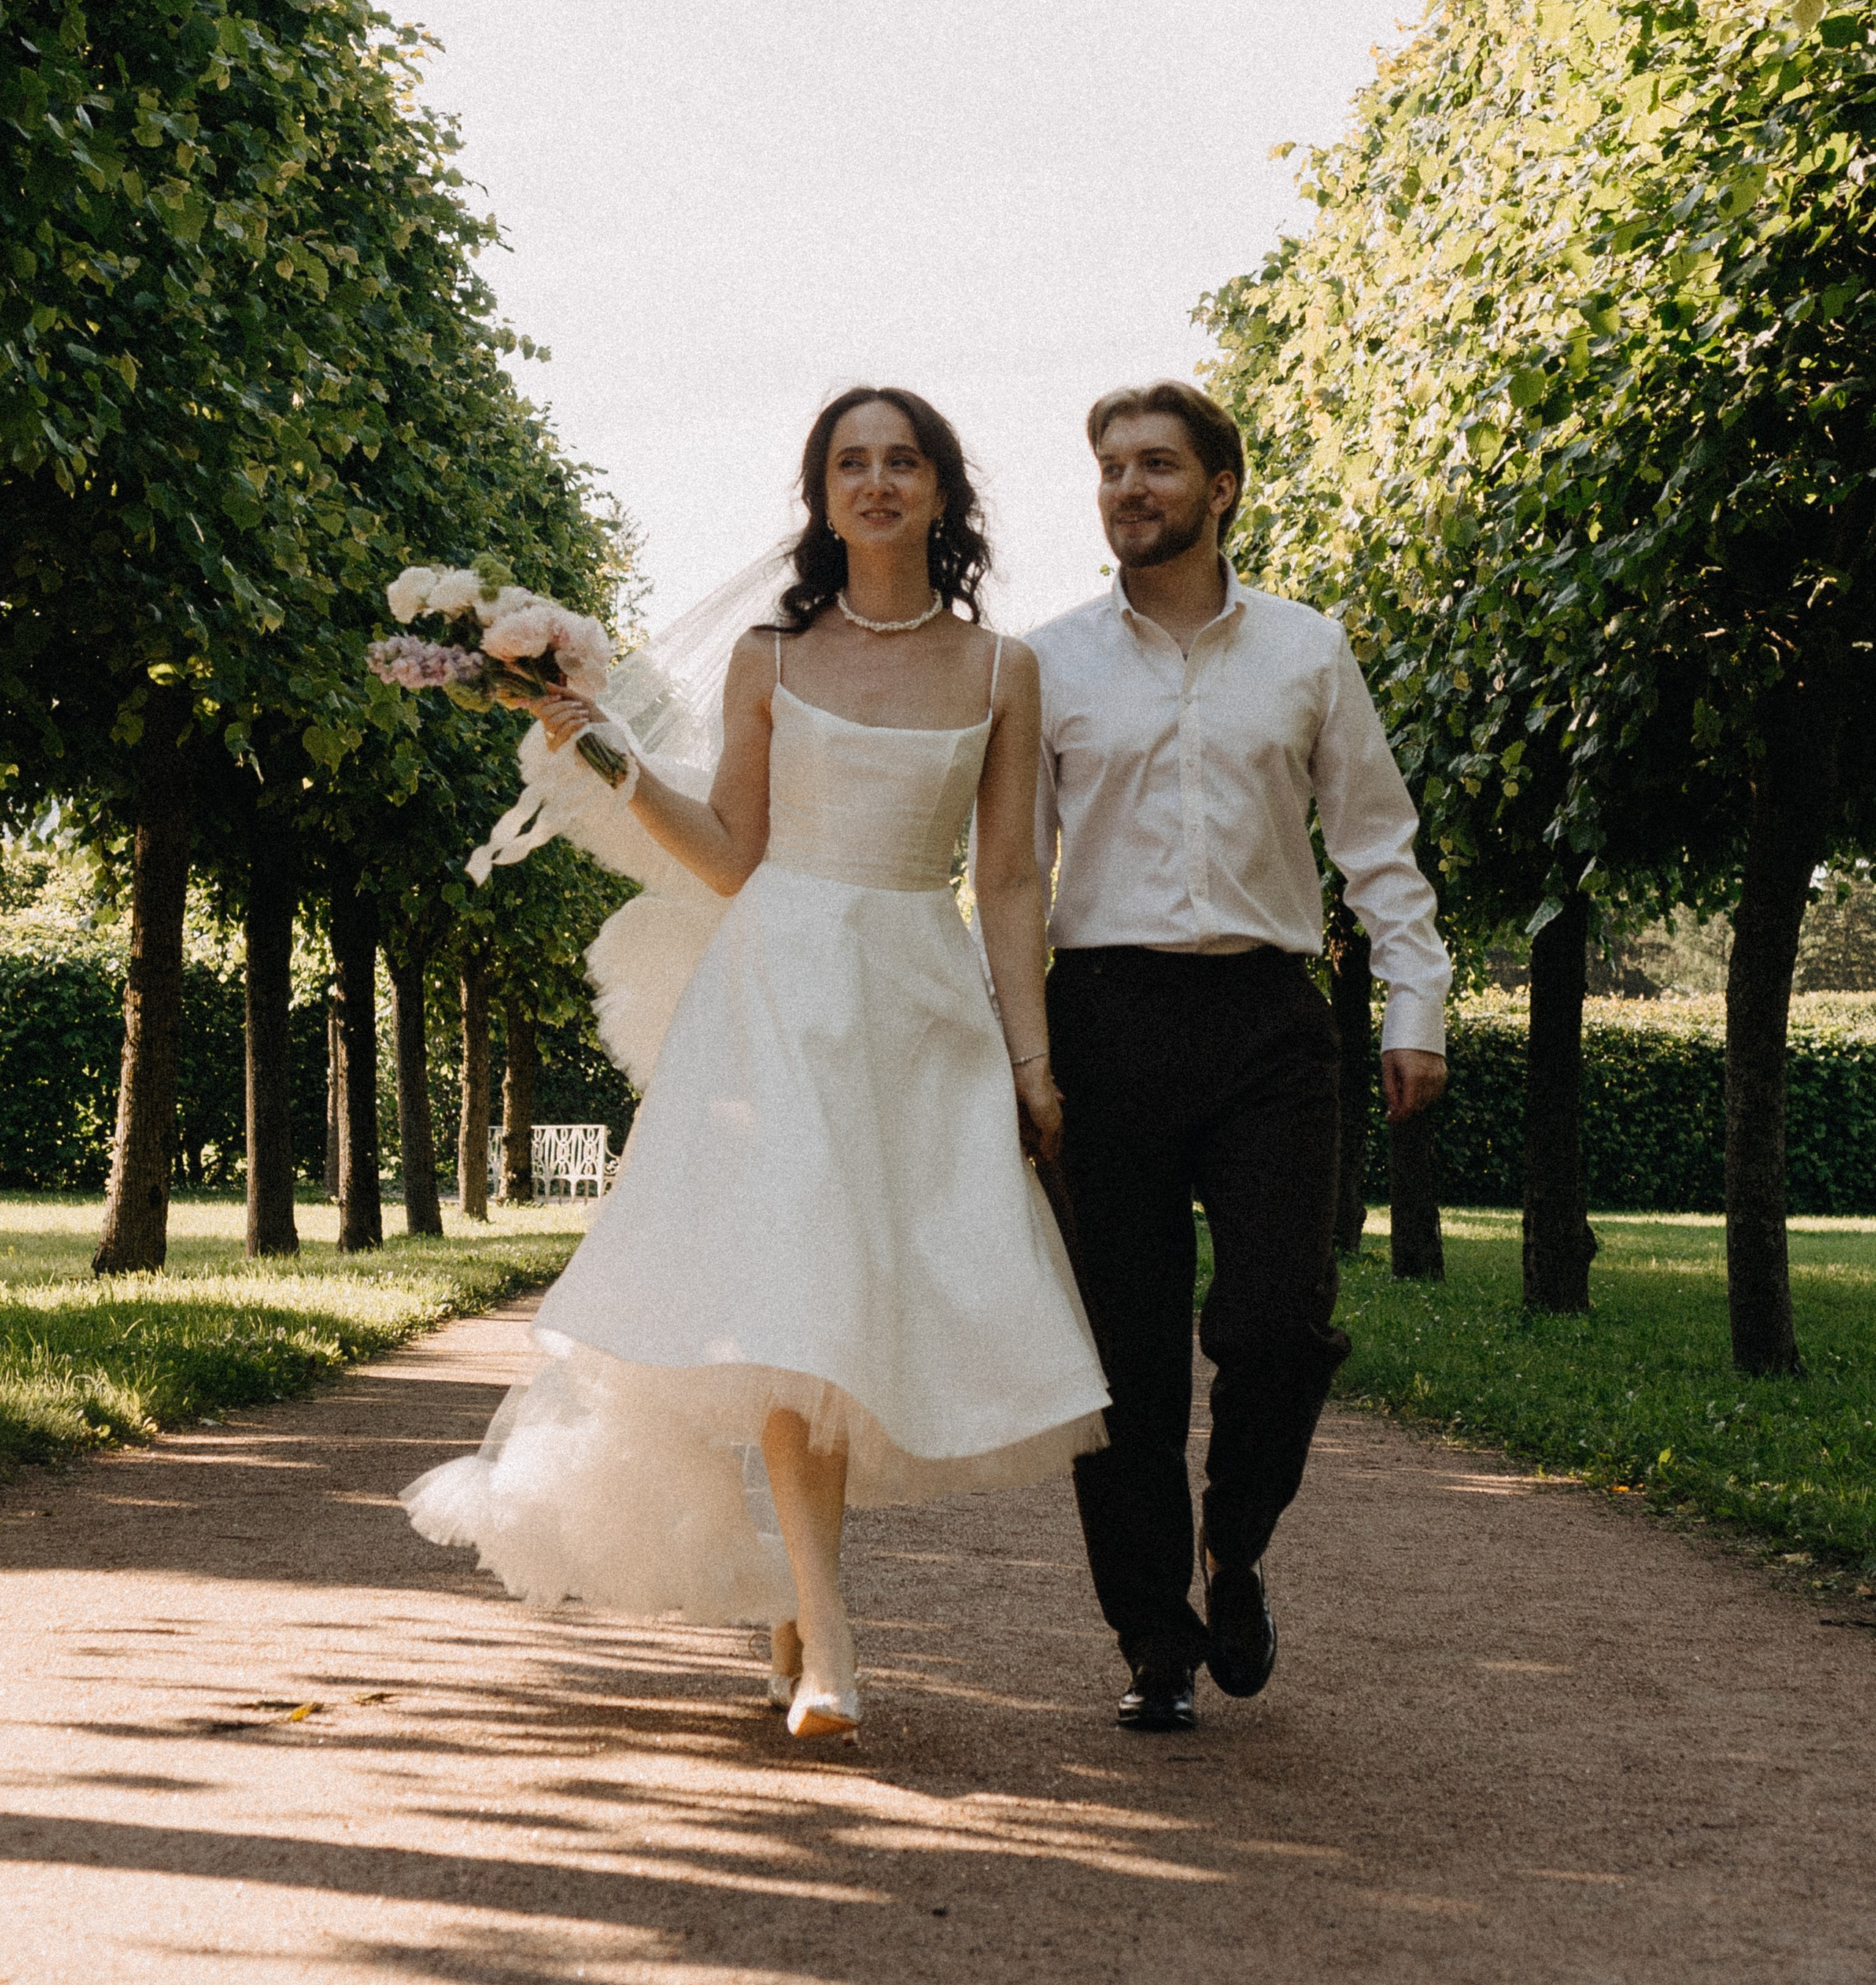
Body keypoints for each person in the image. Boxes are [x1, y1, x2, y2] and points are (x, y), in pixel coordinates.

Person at [403, 388, 1107, 1748]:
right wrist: (609, 760)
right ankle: (831, 1641)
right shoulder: (770, 659)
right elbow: (733, 854)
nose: (877, 482)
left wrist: (1032, 1057)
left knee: (861, 1310)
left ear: (942, 491)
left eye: (902, 461)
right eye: (851, 463)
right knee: (794, 1307)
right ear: (823, 495)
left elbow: (1013, 878)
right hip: (777, 996)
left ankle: (797, 1605)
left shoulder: (1003, 671)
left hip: (916, 1005)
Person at [1029, 381, 1450, 1732]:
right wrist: (1019, 1052)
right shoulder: (1046, 665)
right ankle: (1155, 1641)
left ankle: (1238, 1543)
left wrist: (1414, 1008)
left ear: (1221, 489)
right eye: (1111, 468)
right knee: (1125, 1358)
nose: (1128, 488)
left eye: (1157, 465)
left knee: (1278, 1323)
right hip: (1104, 1020)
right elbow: (1011, 875)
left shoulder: (1308, 650)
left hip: (1270, 1021)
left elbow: (1378, 842)